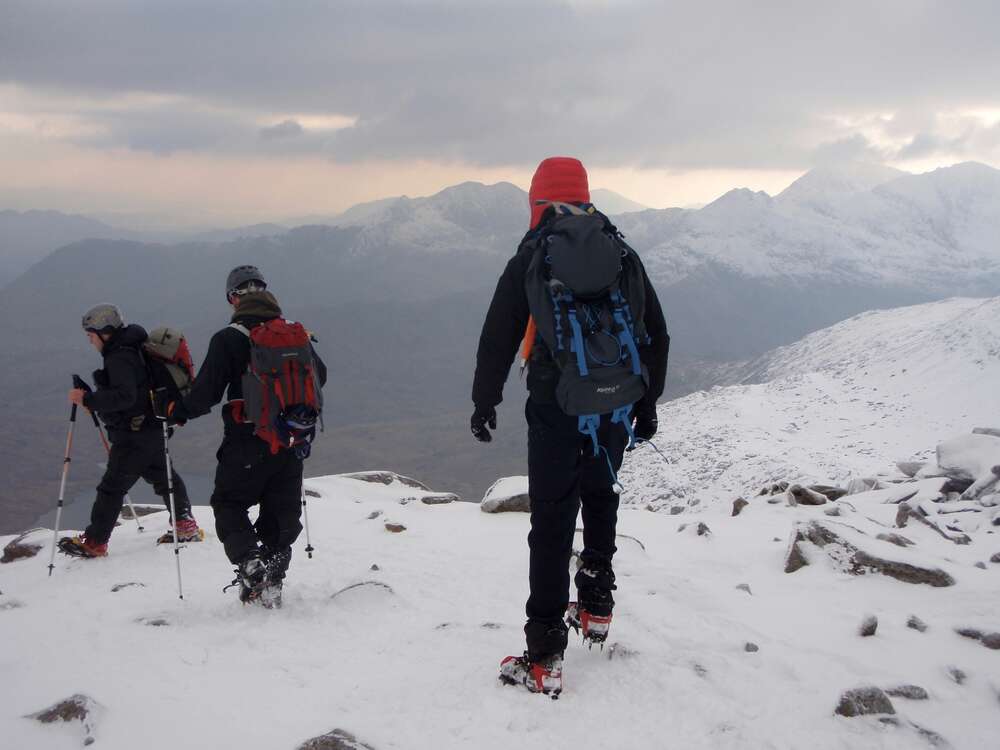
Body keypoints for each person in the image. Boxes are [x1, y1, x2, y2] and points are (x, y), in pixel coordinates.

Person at [471, 157, 670, 695]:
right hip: (615, 404)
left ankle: (544, 656)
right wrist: (647, 404)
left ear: (537, 200)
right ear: (585, 195)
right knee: (602, 495)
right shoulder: (622, 254)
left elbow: (498, 337)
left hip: (555, 405)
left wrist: (484, 402)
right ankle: (597, 606)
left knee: (553, 521)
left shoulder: (533, 255)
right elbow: (656, 334)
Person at [171, 266, 326, 608]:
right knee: (280, 510)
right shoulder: (295, 334)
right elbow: (321, 376)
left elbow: (205, 394)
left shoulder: (228, 338)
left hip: (246, 438)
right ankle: (273, 577)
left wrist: (175, 412)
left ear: (233, 298)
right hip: (290, 438)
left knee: (229, 502)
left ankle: (251, 563)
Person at [59, 304, 202, 558]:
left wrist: (88, 399)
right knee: (164, 477)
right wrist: (96, 401)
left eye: (91, 335)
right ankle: (185, 524)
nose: (90, 340)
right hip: (153, 428)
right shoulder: (133, 347)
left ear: (105, 332)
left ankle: (95, 542)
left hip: (135, 435)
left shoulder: (119, 356)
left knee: (111, 488)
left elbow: (125, 397)